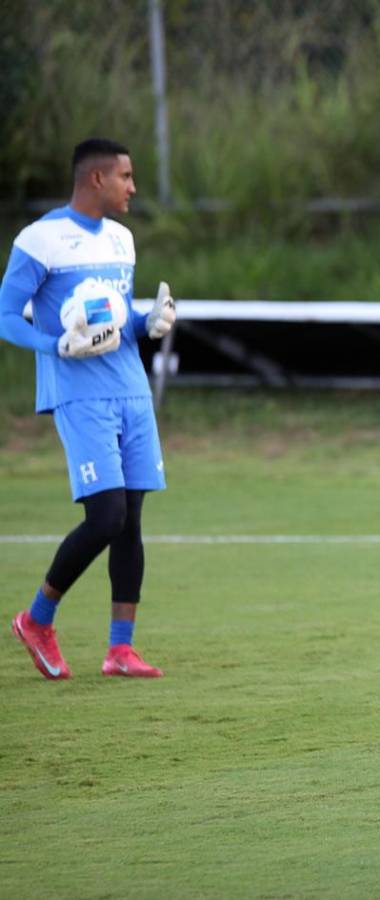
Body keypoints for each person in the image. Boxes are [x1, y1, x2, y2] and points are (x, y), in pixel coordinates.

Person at [1, 138, 176, 679]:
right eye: (126, 176)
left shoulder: (122, 240)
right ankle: (37, 619)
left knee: (131, 522)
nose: (133, 187)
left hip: (131, 390)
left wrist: (149, 323)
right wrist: (53, 345)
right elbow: (6, 315)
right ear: (96, 178)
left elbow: (116, 316)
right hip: (80, 396)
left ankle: (120, 649)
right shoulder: (41, 239)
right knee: (106, 516)